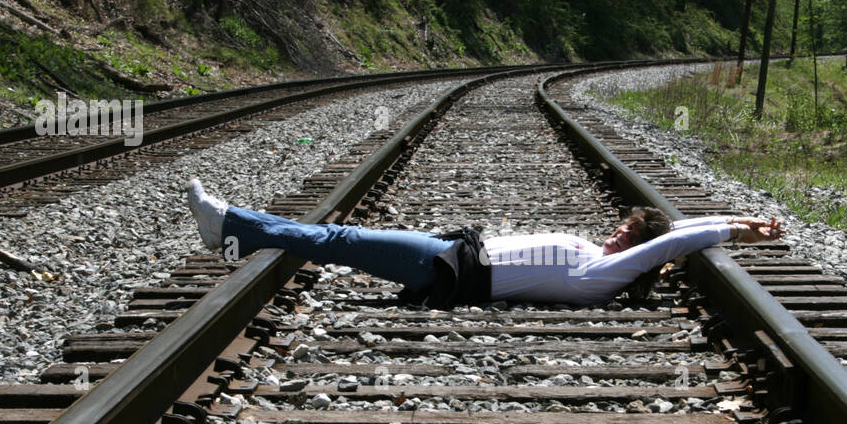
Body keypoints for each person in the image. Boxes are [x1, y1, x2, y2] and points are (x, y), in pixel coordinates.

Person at [186, 179, 784, 308]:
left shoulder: (609, 276)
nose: (621, 231)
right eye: (624, 225)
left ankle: (231, 226)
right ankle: (236, 227)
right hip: (449, 252)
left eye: (632, 234)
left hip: (443, 268)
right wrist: (742, 218)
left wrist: (731, 232)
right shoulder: (603, 263)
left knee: (338, 238)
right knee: (338, 240)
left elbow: (667, 244)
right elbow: (673, 233)